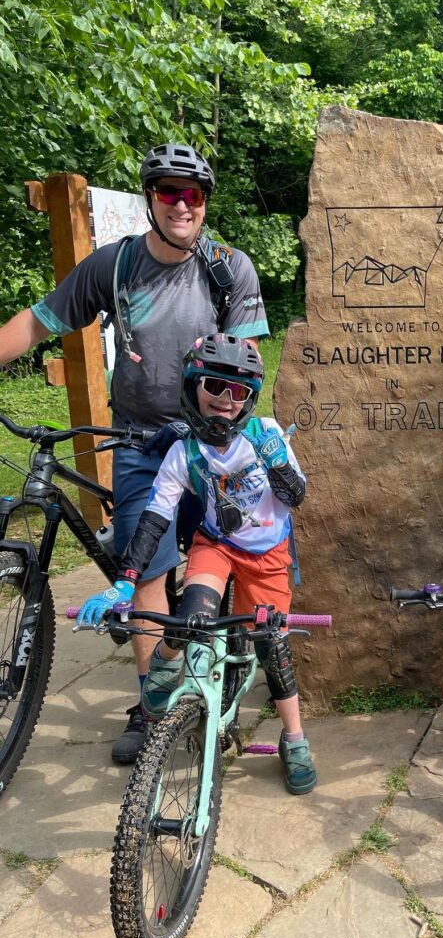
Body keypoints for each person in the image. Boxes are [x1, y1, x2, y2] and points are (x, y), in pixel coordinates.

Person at [0, 143, 269, 762]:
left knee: (218, 554)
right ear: (151, 198)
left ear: (204, 202)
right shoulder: (114, 267)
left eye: (193, 194)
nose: (181, 204)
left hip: (210, 443)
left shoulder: (228, 268)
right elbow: (41, 321)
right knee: (143, 568)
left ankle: (219, 667)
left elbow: (248, 368)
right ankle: (152, 706)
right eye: (169, 192)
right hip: (138, 440)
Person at [76, 334, 316, 795]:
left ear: (251, 397)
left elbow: (297, 498)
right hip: (217, 543)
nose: (226, 400)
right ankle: (164, 670)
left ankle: (294, 738)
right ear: (193, 387)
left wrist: (278, 467)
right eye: (214, 386)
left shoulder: (265, 433)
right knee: (192, 617)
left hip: (267, 554)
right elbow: (153, 520)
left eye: (239, 391)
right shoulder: (183, 451)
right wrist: (125, 582)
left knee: (272, 644)